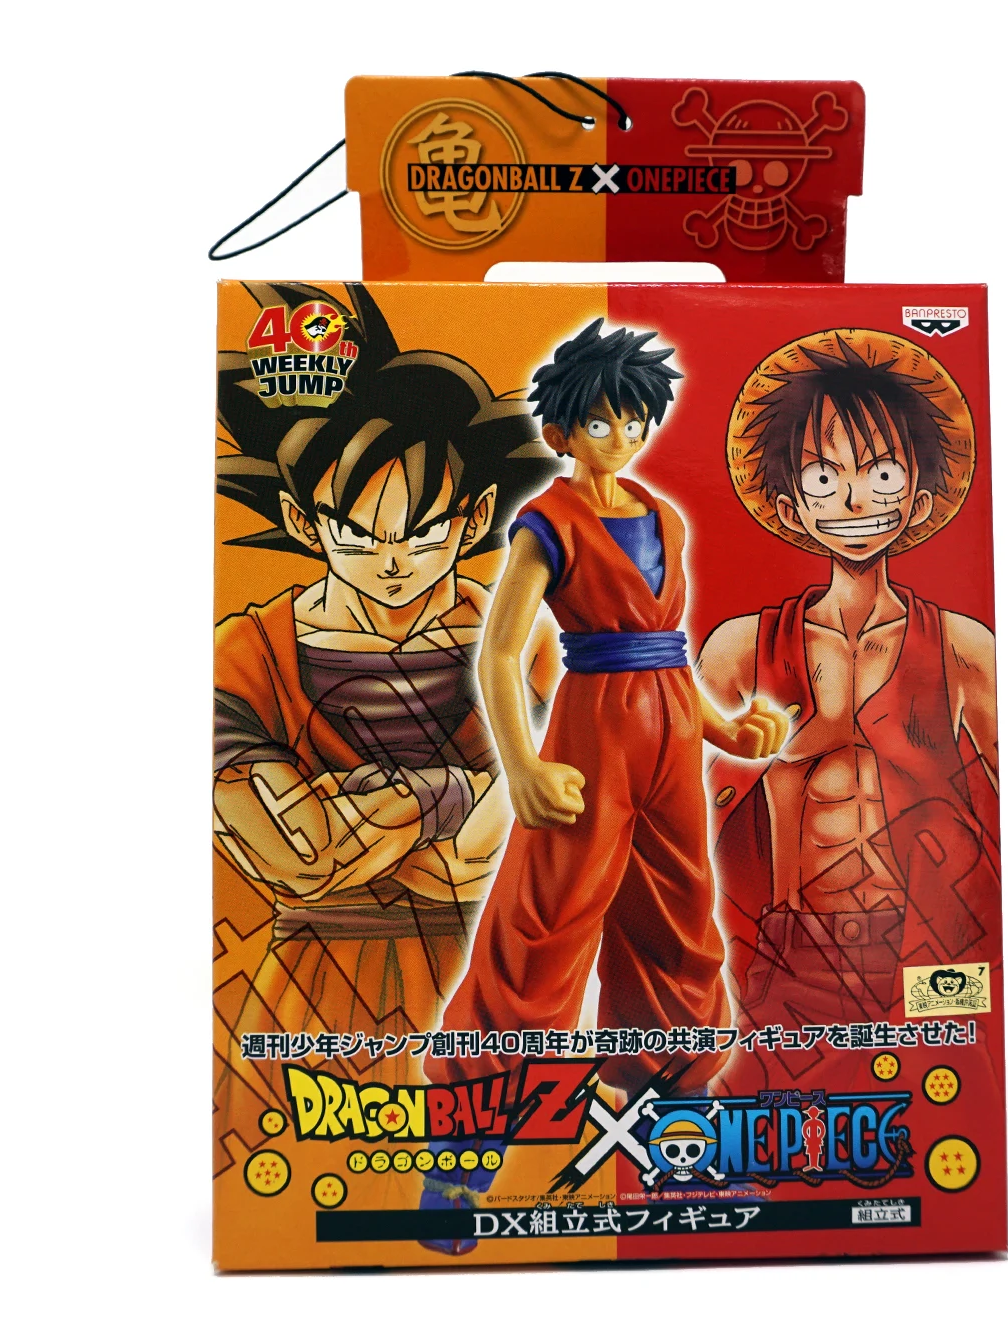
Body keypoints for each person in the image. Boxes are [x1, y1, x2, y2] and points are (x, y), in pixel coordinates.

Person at [417, 320, 789, 1246]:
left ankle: (674, 1128)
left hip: (672, 740)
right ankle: (461, 1159)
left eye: (632, 420)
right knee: (543, 928)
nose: (619, 435)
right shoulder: (548, 523)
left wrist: (726, 727)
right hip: (591, 738)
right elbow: (500, 653)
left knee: (679, 922)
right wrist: (522, 763)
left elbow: (665, 651)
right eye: (599, 421)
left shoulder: (665, 516)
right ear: (562, 430)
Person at [211, 283, 562, 1175]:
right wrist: (466, 798)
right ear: (304, 523)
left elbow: (541, 830)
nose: (395, 560)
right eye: (359, 534)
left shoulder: (525, 643)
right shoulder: (250, 651)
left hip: (496, 982)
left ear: (474, 519)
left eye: (425, 529)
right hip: (314, 996)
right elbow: (300, 853)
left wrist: (402, 801)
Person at [695, 330, 1000, 1093]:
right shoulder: (740, 650)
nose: (856, 499)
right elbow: (674, 807)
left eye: (882, 472)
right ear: (792, 504)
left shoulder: (963, 647)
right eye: (824, 476)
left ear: (918, 497)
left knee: (935, 1122)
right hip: (785, 957)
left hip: (930, 957)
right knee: (765, 1137)